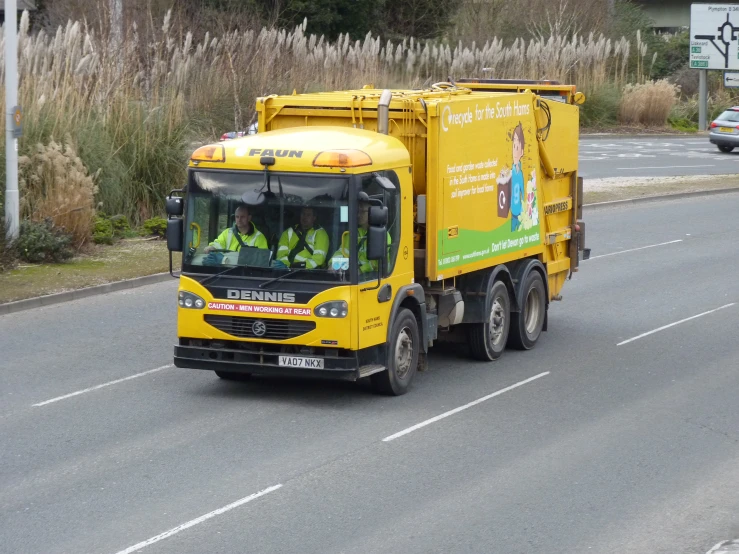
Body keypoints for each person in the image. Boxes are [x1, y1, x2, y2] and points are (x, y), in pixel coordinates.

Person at [329, 199, 391, 275]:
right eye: (358, 211)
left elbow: (378, 263)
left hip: (374, 277)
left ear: (373, 213)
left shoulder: (383, 235)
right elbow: (342, 252)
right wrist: (334, 265)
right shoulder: (353, 233)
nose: (358, 215)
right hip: (355, 277)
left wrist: (360, 270)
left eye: (362, 211)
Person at [204, 204, 268, 253]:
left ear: (249, 218)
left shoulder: (259, 237)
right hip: (227, 269)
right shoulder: (227, 232)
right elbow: (218, 244)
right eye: (237, 217)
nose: (239, 220)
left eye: (242, 217)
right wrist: (212, 247)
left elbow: (262, 259)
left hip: (247, 270)